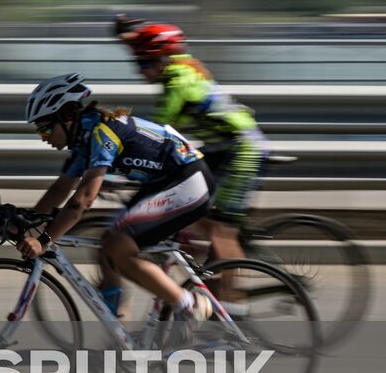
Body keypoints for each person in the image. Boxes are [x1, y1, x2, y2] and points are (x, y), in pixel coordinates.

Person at [14, 72, 217, 323]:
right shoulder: (83, 139)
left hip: (188, 180)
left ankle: (189, 305)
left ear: (67, 117)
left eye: (45, 127)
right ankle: (118, 328)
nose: (43, 137)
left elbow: (83, 200)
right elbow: (60, 190)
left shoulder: (102, 132)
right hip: (164, 182)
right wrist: (25, 220)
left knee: (119, 245)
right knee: (107, 245)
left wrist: (44, 239)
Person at [113, 15, 269, 268]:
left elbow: (157, 134)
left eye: (144, 63)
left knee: (221, 231)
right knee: (190, 199)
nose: (139, 69)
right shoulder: (178, 65)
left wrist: (120, 165)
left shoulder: (178, 82)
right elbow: (147, 46)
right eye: (137, 61)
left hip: (241, 150)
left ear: (163, 60)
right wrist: (123, 36)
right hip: (223, 148)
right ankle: (204, 260)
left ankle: (233, 305)